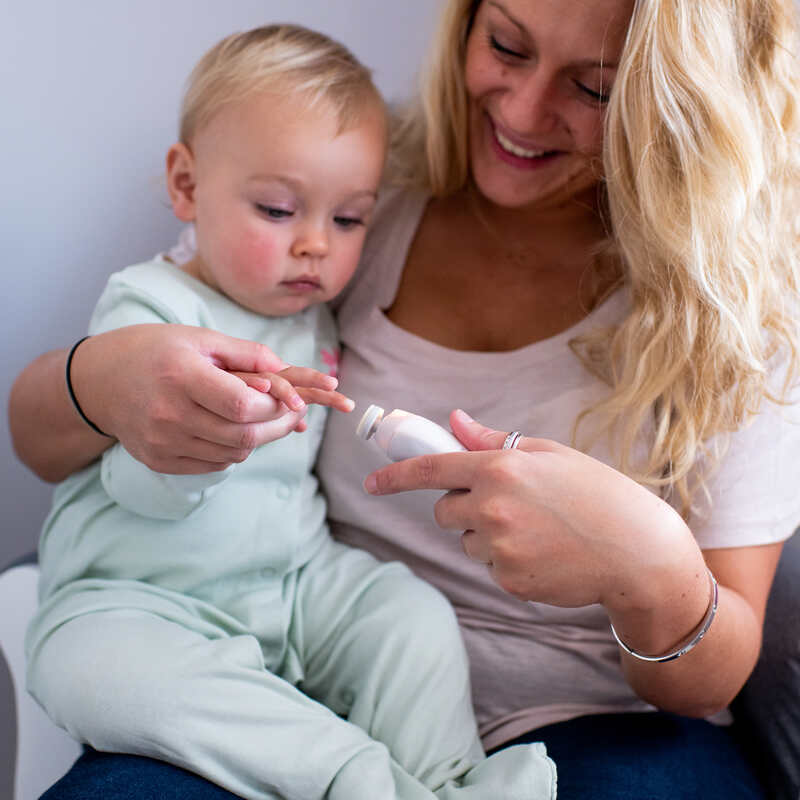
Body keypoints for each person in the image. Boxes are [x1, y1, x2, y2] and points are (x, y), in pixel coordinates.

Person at [9, 0, 800, 798]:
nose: (522, 112)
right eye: (505, 46)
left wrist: (647, 564)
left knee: (407, 616)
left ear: (677, 100)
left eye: (593, 88)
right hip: (285, 682)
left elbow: (709, 682)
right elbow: (45, 436)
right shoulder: (356, 186)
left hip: (588, 719)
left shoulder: (741, 309)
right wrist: (99, 382)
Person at [20, 23, 556, 800]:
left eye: (348, 220)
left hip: (295, 585)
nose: (316, 247)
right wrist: (214, 431)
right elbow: (140, 489)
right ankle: (366, 782)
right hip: (141, 601)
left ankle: (451, 779)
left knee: (407, 616)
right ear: (187, 186)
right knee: (100, 676)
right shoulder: (150, 307)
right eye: (277, 209)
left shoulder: (310, 316)